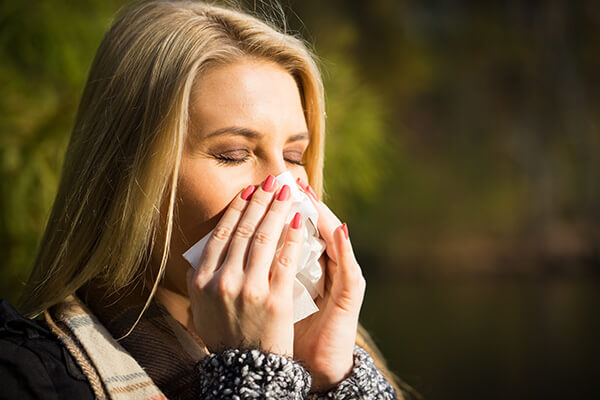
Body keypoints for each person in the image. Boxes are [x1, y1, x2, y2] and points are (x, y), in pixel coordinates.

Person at [0, 1, 406, 398]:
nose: (283, 187)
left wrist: (330, 379)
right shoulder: (31, 375)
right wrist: (254, 373)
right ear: (129, 176)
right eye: (234, 154)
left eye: (294, 156)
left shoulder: (344, 356)